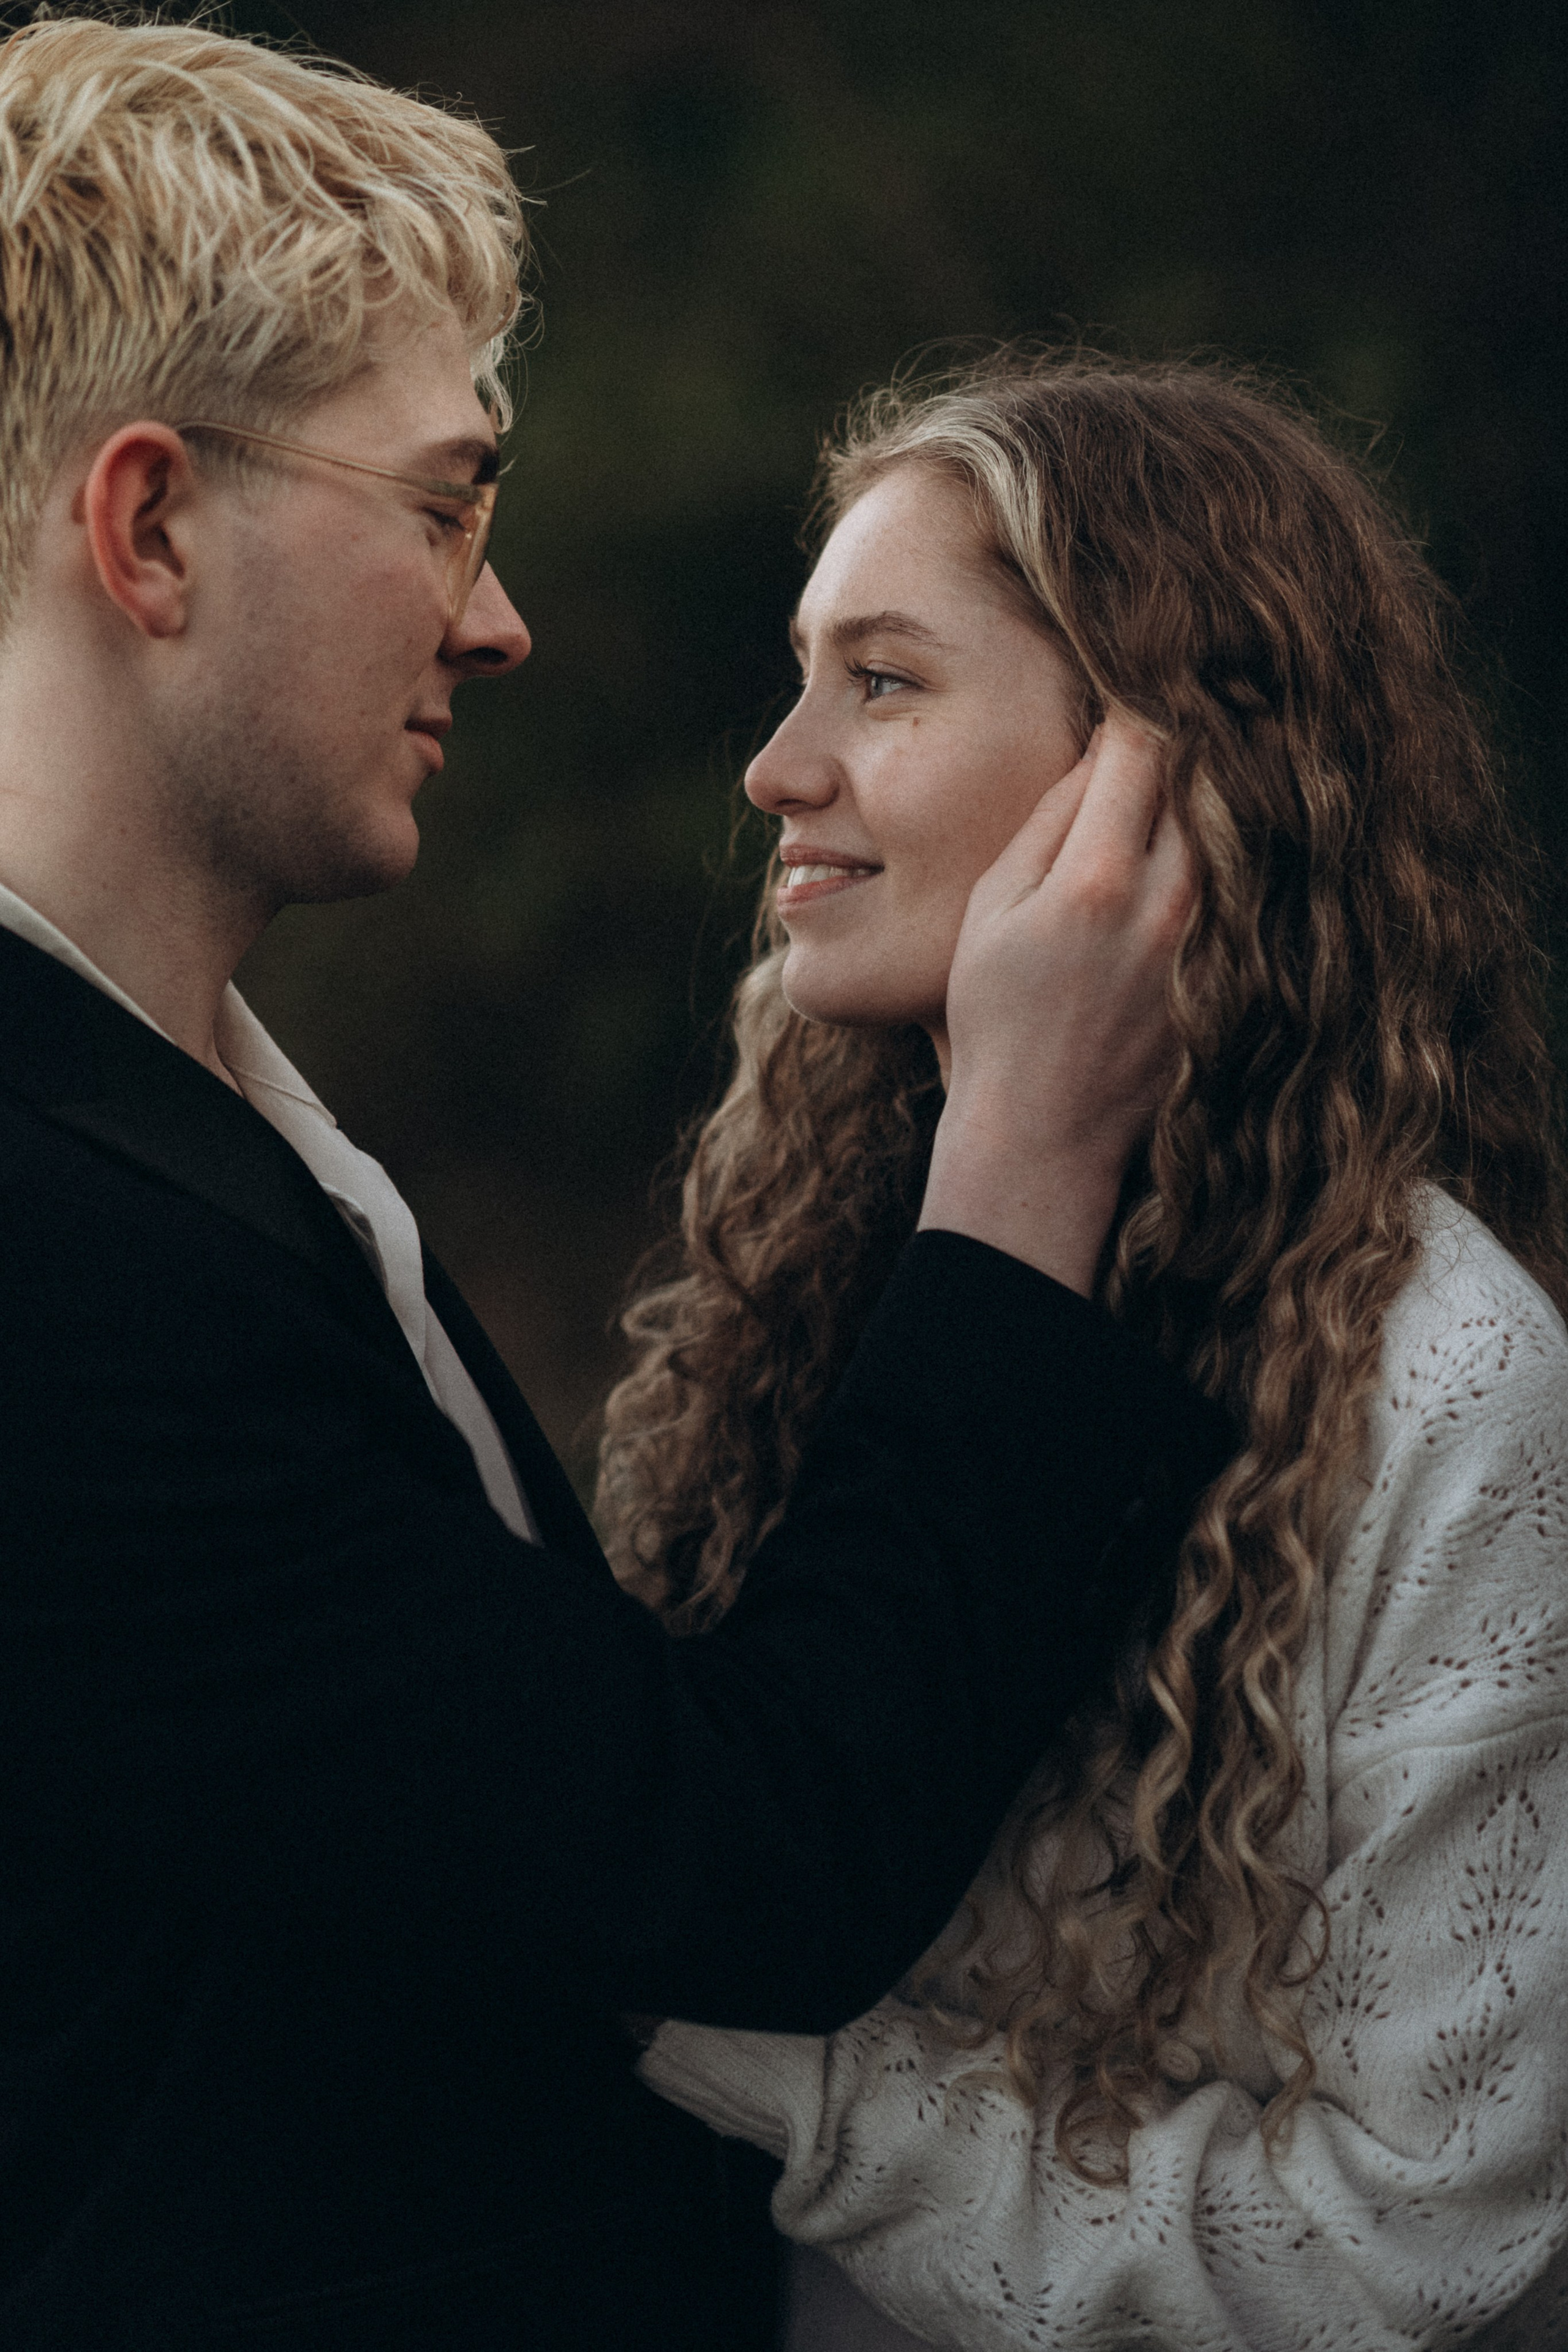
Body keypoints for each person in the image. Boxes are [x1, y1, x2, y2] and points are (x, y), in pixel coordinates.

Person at [0, 24, 1236, 2351]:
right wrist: (1022, 1180)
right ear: (150, 525)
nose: (497, 613)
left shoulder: (181, 1123)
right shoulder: (57, 1261)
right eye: (446, 499)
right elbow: (728, 1865)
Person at [617, 354, 1568, 2350]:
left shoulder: (1448, 1391)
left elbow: (1423, 2244)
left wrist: (768, 2063)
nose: (778, 766)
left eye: (880, 682)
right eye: (804, 674)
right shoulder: (815, 1280)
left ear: (1159, 768)